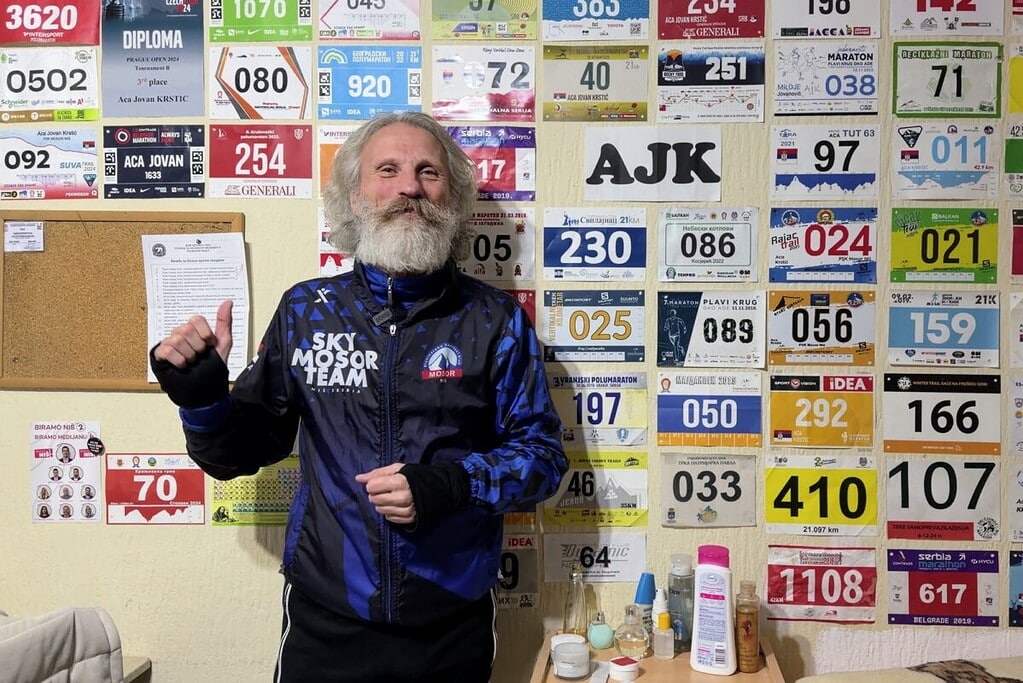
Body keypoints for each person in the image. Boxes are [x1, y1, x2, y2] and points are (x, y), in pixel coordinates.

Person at [150, 111, 567, 683]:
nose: (409, 187)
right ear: (353, 195)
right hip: (326, 622)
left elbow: (543, 460)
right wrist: (201, 400)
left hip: (451, 623)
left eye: (428, 172)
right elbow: (237, 455)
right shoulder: (306, 311)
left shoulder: (495, 319)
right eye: (387, 170)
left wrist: (451, 484)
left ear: (453, 197)